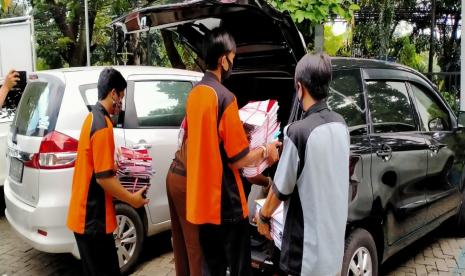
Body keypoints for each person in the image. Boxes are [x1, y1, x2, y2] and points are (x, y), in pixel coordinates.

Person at [185, 28, 281, 276]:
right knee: (240, 267)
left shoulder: (194, 95)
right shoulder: (226, 98)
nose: (233, 62)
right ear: (222, 58)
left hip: (201, 202)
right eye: (233, 57)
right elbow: (240, 159)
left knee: (212, 267)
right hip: (226, 203)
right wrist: (265, 149)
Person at [256, 53, 350, 276]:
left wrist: (262, 217)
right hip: (333, 251)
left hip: (305, 256)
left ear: (300, 88)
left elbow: (281, 190)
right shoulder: (341, 125)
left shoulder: (297, 132)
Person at [67, 68, 148, 276]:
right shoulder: (103, 126)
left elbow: (96, 166)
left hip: (84, 216)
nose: (121, 102)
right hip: (93, 219)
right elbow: (103, 179)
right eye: (121, 96)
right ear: (113, 93)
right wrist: (132, 199)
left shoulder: (91, 118)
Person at [166, 118, 203, 276]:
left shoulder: (193, 110)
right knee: (195, 245)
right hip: (185, 181)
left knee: (181, 241)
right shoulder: (209, 109)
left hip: (174, 174)